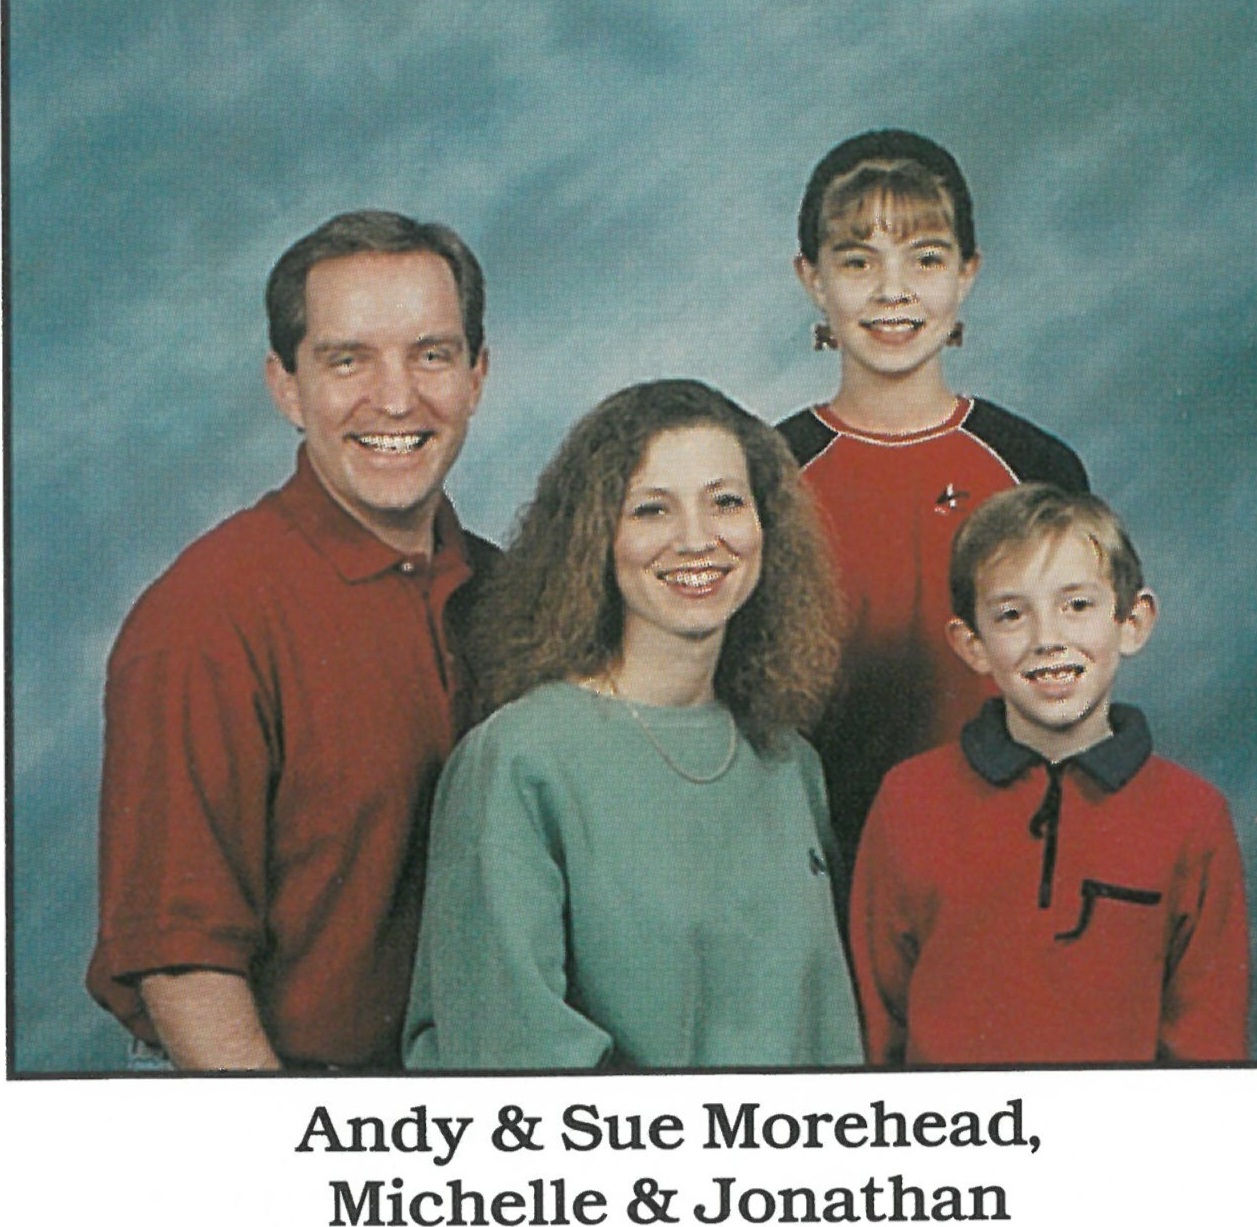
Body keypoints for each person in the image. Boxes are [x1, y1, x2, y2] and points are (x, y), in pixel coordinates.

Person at [86, 210, 496, 1071]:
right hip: (287, 1100)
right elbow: (184, 968)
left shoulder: (511, 592)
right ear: (285, 386)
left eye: (431, 354)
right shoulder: (202, 621)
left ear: (476, 376)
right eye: (348, 360)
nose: (396, 398)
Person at [403, 379, 863, 1069]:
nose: (697, 539)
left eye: (726, 502)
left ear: (765, 524)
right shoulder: (520, 758)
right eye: (652, 509)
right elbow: (509, 1046)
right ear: (595, 537)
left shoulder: (789, 765)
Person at [778, 129, 1089, 873]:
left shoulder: (1034, 467)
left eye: (925, 259)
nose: (893, 291)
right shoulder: (769, 472)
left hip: (1010, 858)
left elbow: (1078, 688)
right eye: (858, 262)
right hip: (819, 866)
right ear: (812, 278)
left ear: (967, 273)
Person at [850, 484, 1249, 1065]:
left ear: (1132, 622)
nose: (1047, 640)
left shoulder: (1193, 816)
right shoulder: (910, 800)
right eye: (1012, 615)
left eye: (1077, 606)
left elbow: (1208, 1046)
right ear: (972, 644)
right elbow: (876, 1026)